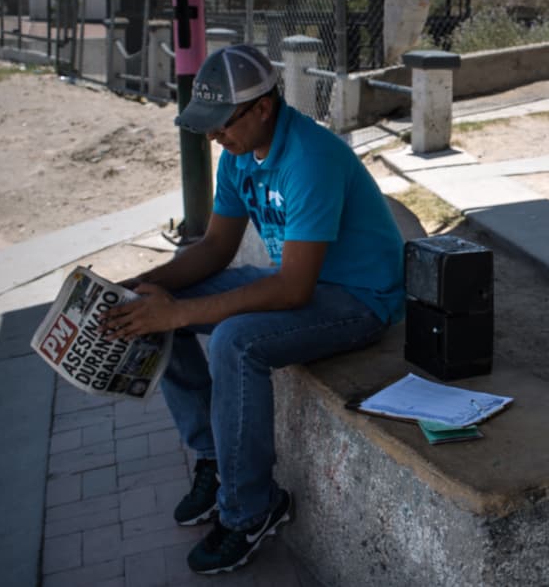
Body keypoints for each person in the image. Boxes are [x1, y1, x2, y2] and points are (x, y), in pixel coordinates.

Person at [101, 44, 404, 575]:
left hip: (360, 299)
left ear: (263, 107)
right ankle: (217, 461)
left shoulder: (310, 157)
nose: (215, 136)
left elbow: (292, 290)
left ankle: (250, 511)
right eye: (209, 126)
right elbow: (216, 249)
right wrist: (141, 285)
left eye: (222, 124)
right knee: (153, 308)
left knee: (234, 342)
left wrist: (179, 314)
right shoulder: (239, 155)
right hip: (303, 283)